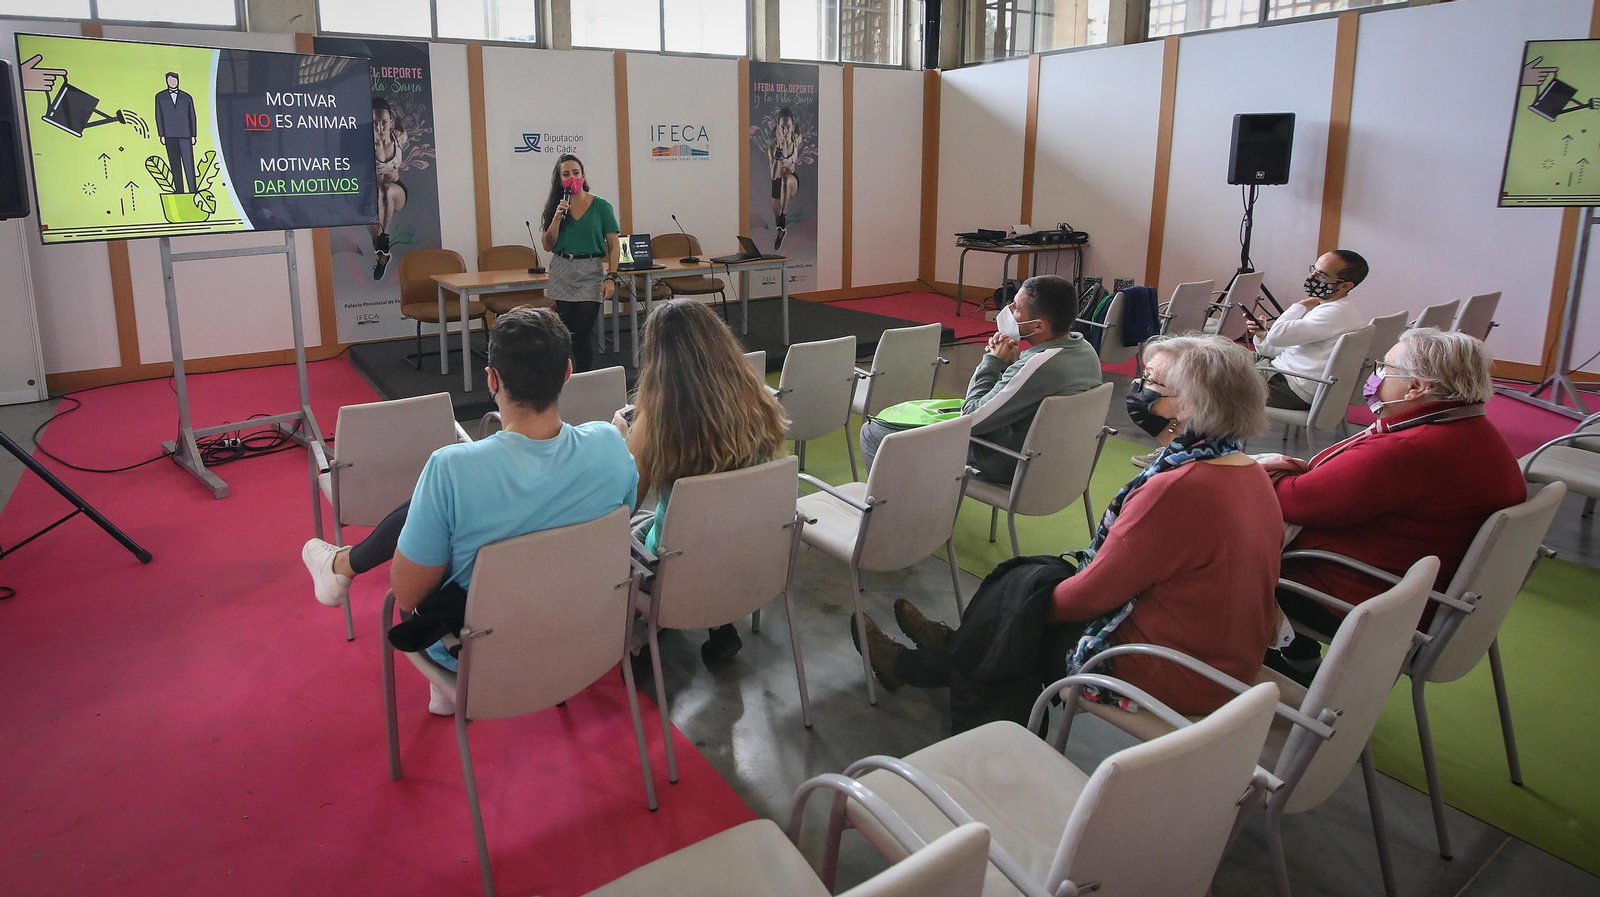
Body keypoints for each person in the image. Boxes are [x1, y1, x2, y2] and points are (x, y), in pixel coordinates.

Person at [855, 334, 1283, 717]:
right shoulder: (1248, 470)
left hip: (1173, 670)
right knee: (1024, 588)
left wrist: (1017, 606)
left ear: (1188, 407)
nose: (1136, 388)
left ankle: (913, 666)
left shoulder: (1177, 490)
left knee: (1019, 604)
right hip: (1224, 659)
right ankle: (952, 646)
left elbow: (1087, 598)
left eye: (1150, 382)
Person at [300, 307, 638, 714]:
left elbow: (408, 594)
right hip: (586, 634)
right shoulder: (610, 443)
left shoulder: (452, 467)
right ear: (568, 372)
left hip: (481, 654)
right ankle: (343, 567)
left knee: (437, 546)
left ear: (491, 378)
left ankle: (342, 566)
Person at [1263, 328, 1526, 682]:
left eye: (1385, 368)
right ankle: (1299, 663)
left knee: (1228, 563)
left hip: (1363, 600)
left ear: (1416, 387)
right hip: (1419, 598)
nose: (1375, 376)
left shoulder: (1410, 449)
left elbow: (1294, 500)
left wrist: (1268, 469)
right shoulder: (1474, 430)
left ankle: (1227, 672)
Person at [613, 299, 789, 665]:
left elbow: (623, 506)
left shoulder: (655, 424)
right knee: (703, 522)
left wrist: (622, 436)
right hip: (748, 552)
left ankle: (636, 637)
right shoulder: (759, 404)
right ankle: (718, 621)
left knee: (631, 531)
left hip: (675, 570)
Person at [858, 274, 1102, 483]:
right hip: (1059, 462)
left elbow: (970, 419)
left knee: (875, 433)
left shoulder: (1038, 365)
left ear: (1038, 326)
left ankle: (890, 515)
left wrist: (991, 362)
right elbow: (1028, 391)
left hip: (1009, 461)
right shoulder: (1085, 350)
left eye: (1017, 308)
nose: (1008, 311)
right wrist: (1011, 366)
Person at [1246, 249, 1371, 411]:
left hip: (1288, 386)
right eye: (1314, 269)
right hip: (1280, 372)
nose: (1312, 277)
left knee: (1217, 375)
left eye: (1322, 275)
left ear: (1345, 286)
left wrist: (1301, 305)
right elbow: (1282, 347)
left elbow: (1276, 336)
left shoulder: (1334, 313)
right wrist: (1262, 335)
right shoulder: (1335, 308)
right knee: (1219, 355)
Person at [539, 153, 621, 372]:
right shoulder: (555, 207)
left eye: (576, 173)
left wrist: (611, 277)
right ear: (559, 180)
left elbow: (614, 244)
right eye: (566, 174)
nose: (572, 178)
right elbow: (548, 245)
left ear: (583, 176)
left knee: (583, 332)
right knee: (567, 331)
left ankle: (585, 377)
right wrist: (557, 218)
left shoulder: (601, 206)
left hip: (590, 270)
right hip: (562, 269)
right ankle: (566, 377)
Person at [370, 98, 409, 281]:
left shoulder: (399, 137)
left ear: (390, 122)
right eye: (375, 123)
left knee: (385, 190)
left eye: (384, 123)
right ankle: (382, 257)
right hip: (372, 195)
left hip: (395, 190)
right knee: (375, 237)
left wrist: (398, 120)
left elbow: (400, 124)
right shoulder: (363, 144)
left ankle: (384, 236)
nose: (380, 128)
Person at [154, 72, 197, 195]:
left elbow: (192, 116)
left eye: (174, 80)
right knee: (175, 164)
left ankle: (193, 190)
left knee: (189, 164)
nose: (172, 83)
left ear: (178, 81)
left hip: (185, 134)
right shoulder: (160, 96)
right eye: (170, 80)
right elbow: (158, 116)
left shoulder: (186, 97)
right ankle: (179, 191)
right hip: (169, 135)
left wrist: (193, 134)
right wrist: (161, 134)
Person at [769, 108, 802, 250]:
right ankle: (780, 233)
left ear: (792, 127)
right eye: (782, 127)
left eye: (788, 127)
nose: (785, 131)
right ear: (778, 127)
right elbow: (773, 175)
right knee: (779, 225)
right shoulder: (772, 147)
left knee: (786, 180)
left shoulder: (797, 139)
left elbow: (799, 130)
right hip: (777, 183)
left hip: (791, 180)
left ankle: (783, 215)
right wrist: (778, 151)